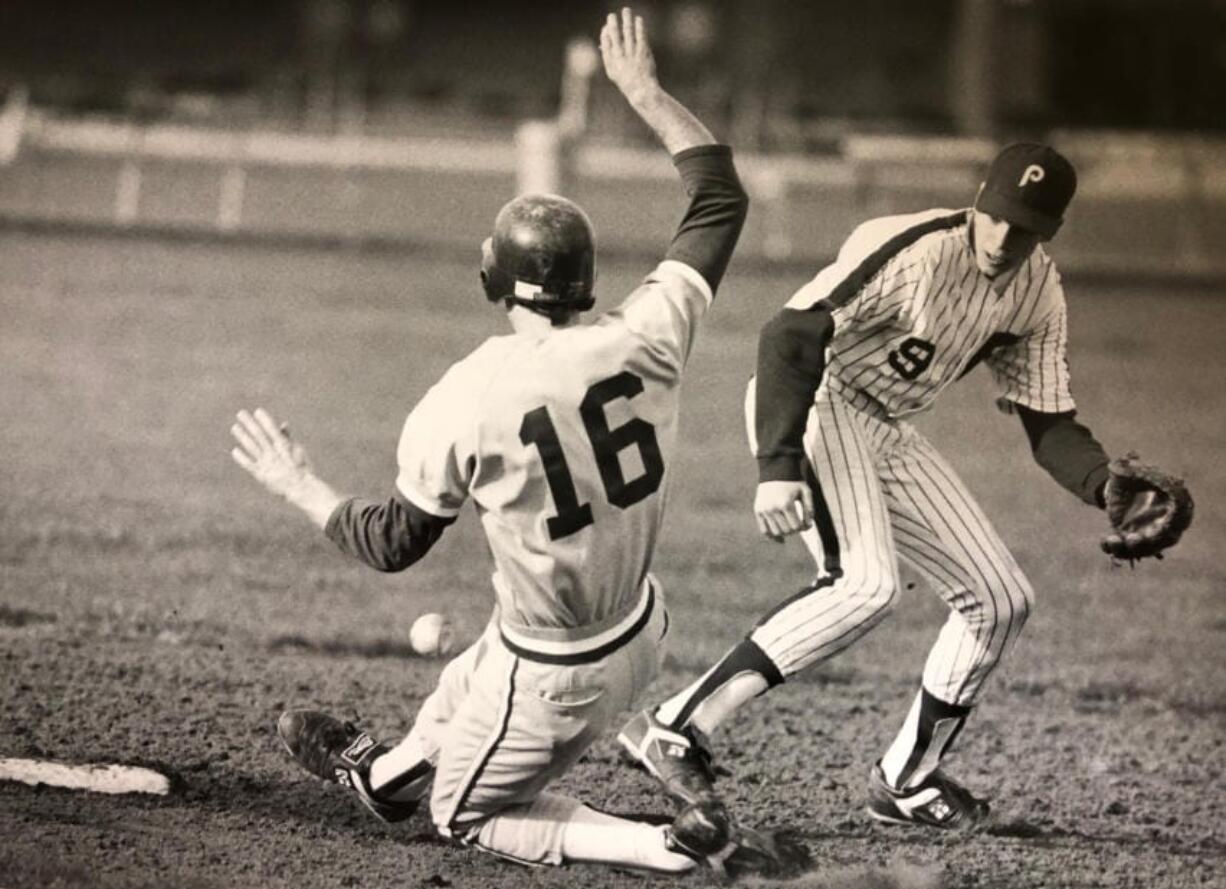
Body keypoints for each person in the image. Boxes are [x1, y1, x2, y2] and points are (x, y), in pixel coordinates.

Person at [229, 7, 802, 878]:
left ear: (493, 276)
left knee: (466, 815)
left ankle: (672, 846)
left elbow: (392, 541)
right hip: (641, 624)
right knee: (468, 677)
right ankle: (382, 778)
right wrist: (645, 93)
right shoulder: (648, 332)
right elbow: (719, 196)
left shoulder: (464, 396)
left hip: (559, 668)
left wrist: (299, 483)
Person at [620, 142, 1153, 830]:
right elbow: (790, 335)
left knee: (1001, 600)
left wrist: (1105, 483)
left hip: (886, 424)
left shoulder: (1038, 292)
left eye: (1023, 228)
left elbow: (1049, 421)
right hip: (818, 399)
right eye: (995, 216)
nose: (1002, 236)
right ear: (979, 200)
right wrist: (778, 468)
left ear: (1049, 232)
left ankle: (905, 779)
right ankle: (674, 727)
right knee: (862, 584)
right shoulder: (916, 248)